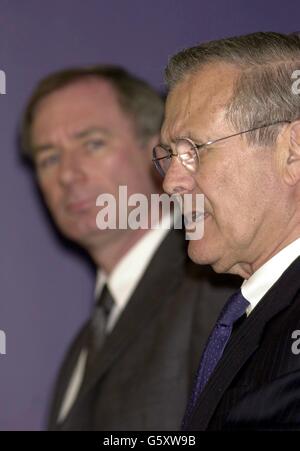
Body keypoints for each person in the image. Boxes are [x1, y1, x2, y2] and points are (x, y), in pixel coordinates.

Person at [21, 65, 239, 430]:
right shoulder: (81, 349)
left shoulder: (216, 286)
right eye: (49, 158)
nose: (68, 175)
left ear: (159, 151)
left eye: (92, 144)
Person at [153, 31, 300, 430]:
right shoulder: (255, 314)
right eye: (170, 155)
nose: (171, 182)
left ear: (293, 149)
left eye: (194, 150)